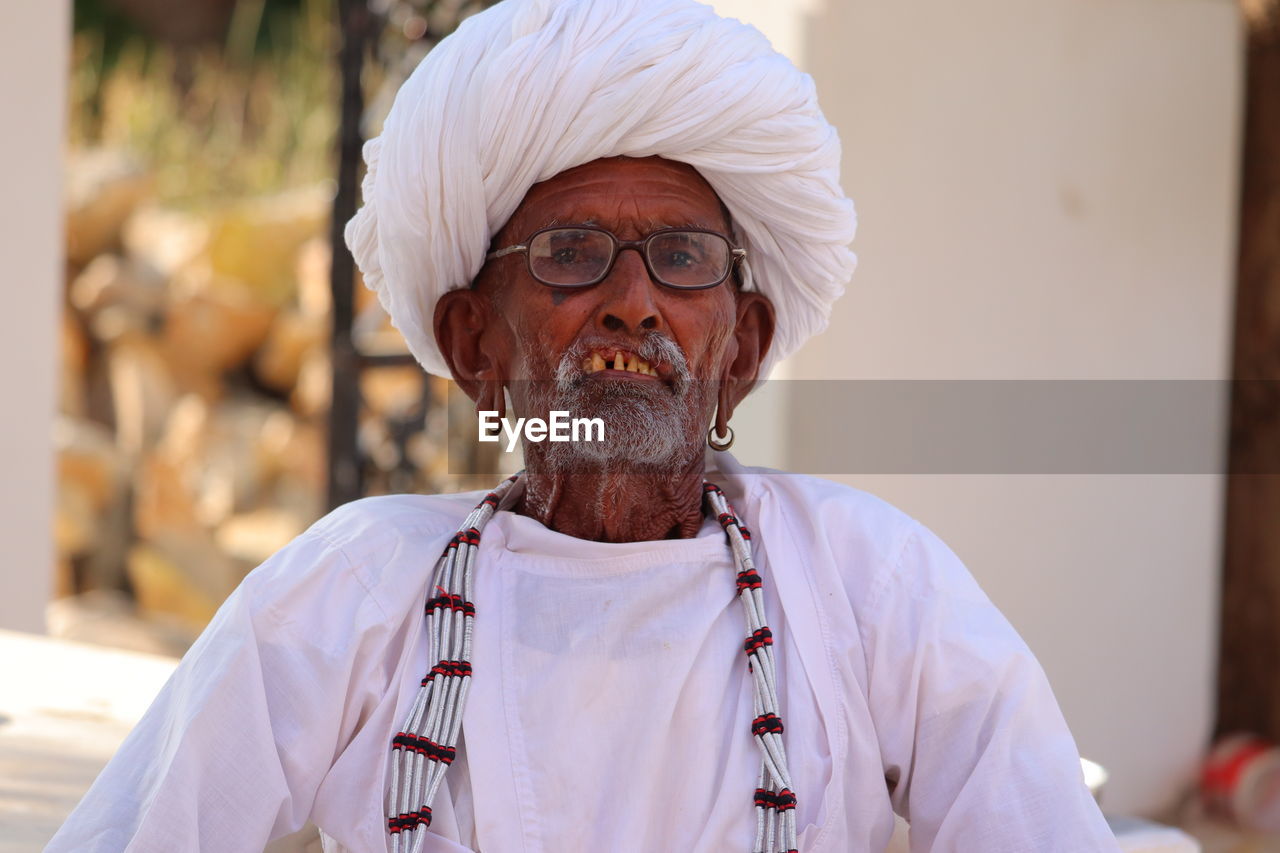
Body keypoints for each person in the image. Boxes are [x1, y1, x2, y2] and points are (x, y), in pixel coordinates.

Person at [48, 0, 1119, 851]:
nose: (632, 301)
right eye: (568, 253)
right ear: (476, 347)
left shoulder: (870, 583)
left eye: (683, 258)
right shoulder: (355, 590)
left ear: (738, 352)